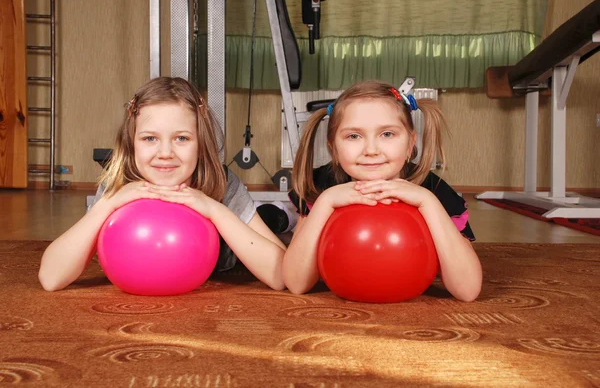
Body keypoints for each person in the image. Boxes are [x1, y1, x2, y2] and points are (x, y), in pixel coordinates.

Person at [39, 77, 286, 292]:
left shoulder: (220, 180)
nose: (165, 153)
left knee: (272, 220)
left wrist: (214, 210)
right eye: (150, 138)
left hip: (238, 234)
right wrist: (107, 205)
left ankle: (285, 216)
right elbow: (50, 278)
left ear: (200, 145)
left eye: (181, 138)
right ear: (131, 144)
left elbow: (281, 276)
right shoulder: (121, 183)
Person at [283, 80, 482, 302]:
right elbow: (296, 283)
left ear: (410, 144)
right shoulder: (320, 186)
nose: (371, 150)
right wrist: (325, 203)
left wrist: (428, 202)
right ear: (334, 148)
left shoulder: (434, 191)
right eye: (353, 136)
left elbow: (468, 290)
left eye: (387, 134)